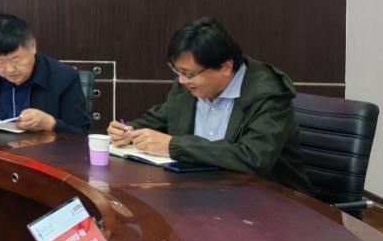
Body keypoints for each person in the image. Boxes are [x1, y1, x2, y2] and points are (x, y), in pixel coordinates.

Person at [107, 17, 312, 194]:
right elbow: (158, 120)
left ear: (226, 67)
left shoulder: (268, 93)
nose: (182, 80)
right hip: (204, 193)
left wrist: (175, 147)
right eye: (178, 72)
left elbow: (254, 158)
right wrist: (128, 131)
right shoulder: (189, 87)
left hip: (271, 201)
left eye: (189, 74)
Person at [0, 14, 89, 134]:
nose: (9, 70)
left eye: (16, 59)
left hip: (40, 152)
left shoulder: (65, 77)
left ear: (33, 46)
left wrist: (50, 123)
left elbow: (80, 134)